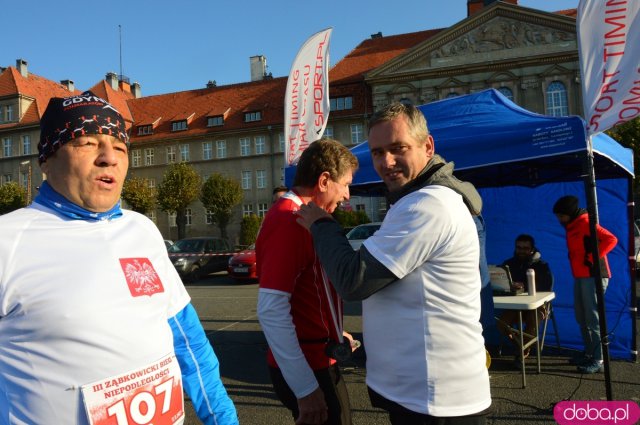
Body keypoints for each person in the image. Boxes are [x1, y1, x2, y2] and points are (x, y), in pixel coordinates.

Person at [0, 91, 238, 425]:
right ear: (47, 158)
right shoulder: (7, 241)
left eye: (121, 148)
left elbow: (188, 339)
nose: (109, 158)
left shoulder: (142, 230)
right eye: (87, 143)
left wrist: (222, 418)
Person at [296, 103, 491, 425]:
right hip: (422, 392)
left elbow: (354, 280)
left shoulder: (429, 205)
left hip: (436, 400)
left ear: (428, 146)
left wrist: (321, 223)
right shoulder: (418, 201)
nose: (386, 162)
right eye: (377, 152)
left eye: (398, 148)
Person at [256, 138, 359, 425]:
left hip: (321, 355)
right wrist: (304, 388)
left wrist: (335, 332)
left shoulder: (304, 218)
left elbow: (310, 289)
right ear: (324, 180)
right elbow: (271, 310)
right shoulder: (291, 221)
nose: (348, 195)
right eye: (346, 184)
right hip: (310, 365)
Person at [552, 195, 618, 374]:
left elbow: (611, 239)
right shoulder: (571, 226)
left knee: (592, 319)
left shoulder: (585, 223)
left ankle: (598, 359)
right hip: (581, 277)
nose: (559, 219)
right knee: (582, 318)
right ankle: (589, 353)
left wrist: (592, 257)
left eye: (561, 216)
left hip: (594, 276)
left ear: (569, 213)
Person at [495, 234, 553, 367]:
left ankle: (522, 352)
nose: (521, 250)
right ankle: (521, 346)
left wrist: (524, 286)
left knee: (533, 321)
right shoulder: (508, 264)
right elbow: (500, 282)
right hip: (515, 306)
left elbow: (546, 288)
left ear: (532, 249)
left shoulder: (542, 266)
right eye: (518, 247)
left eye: (525, 248)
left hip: (537, 306)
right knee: (501, 324)